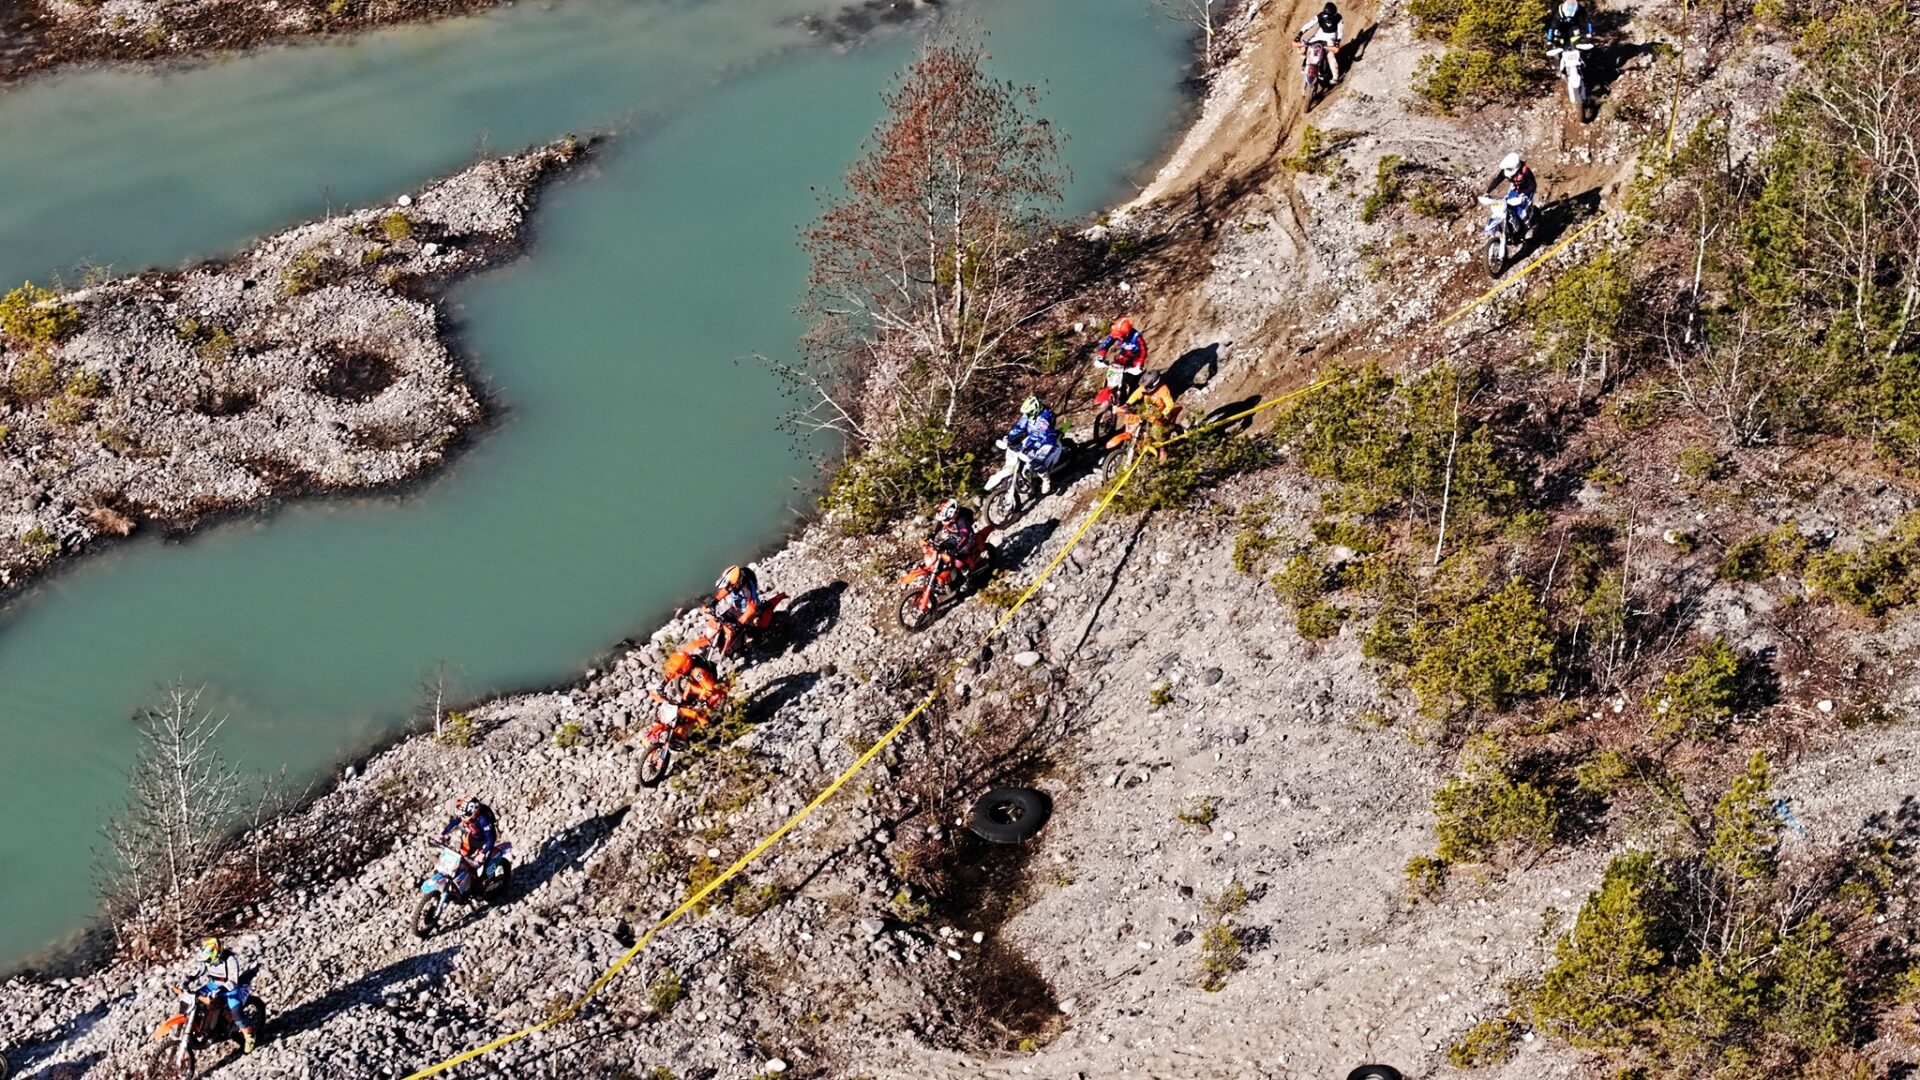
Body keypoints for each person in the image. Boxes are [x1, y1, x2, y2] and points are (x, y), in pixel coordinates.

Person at [651, 637, 728, 743]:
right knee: (683, 702)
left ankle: (710, 729)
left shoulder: (698, 672)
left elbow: (708, 688)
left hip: (703, 687)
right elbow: (673, 672)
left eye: (679, 672)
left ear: (685, 667)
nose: (677, 674)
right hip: (693, 684)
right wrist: (662, 685)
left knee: (697, 713)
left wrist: (702, 699)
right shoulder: (682, 658)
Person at [187, 937, 255, 1054]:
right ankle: (202, 1023)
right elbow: (198, 971)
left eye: (209, 960)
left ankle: (250, 1036)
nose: (207, 963)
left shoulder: (230, 960)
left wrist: (220, 990)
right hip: (214, 985)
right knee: (195, 997)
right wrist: (186, 979)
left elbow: (233, 981)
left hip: (230, 989)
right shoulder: (208, 961)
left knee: (236, 1014)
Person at [985, 396, 1064, 495]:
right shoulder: (1028, 415)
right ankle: (1030, 479)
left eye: (1029, 412)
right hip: (1032, 439)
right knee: (1018, 455)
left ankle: (1046, 481)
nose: (1027, 415)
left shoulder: (1046, 417)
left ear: (1035, 409)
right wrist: (1009, 437)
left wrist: (1032, 449)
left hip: (1046, 441)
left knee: (1036, 462)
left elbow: (1044, 434)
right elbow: (1019, 426)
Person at [438, 797, 499, 893]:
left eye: (464, 815)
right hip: (473, 838)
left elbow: (491, 839)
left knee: (478, 864)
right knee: (460, 858)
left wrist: (483, 853)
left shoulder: (483, 820)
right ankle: (464, 880)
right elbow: (454, 822)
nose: (462, 818)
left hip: (485, 843)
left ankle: (481, 883)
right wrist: (442, 834)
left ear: (473, 812)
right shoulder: (465, 814)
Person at [1124, 371, 1181, 458]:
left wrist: (1163, 413)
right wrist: (1128, 403)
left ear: (1154, 383)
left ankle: (1163, 455)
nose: (1144, 388)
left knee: (1159, 436)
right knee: (1138, 427)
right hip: (1148, 412)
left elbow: (1169, 403)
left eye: (1146, 386)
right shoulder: (1145, 387)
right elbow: (1136, 394)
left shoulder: (1163, 389)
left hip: (1161, 415)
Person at [708, 564, 762, 654]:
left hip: (748, 610)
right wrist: (715, 600)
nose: (728, 588)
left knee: (747, 631)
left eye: (730, 586)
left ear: (736, 583)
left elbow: (752, 607)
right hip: (737, 607)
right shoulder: (735, 583)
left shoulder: (746, 587)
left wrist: (740, 621)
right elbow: (726, 589)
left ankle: (752, 645)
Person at [1485, 152, 1538, 238]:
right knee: (1507, 206)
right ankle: (1507, 227)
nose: (1507, 172)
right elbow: (1498, 179)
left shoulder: (1525, 171)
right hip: (1515, 189)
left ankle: (1528, 228)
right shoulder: (1506, 171)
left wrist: (1524, 194)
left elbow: (1533, 185)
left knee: (1521, 212)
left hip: (1527, 191)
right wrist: (1488, 191)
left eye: (1509, 169)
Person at [927, 499, 984, 574]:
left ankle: (966, 575)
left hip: (967, 540)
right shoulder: (949, 517)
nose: (944, 520)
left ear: (953, 515)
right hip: (955, 536)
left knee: (958, 562)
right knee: (939, 547)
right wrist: (934, 533)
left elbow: (965, 536)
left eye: (946, 519)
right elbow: (941, 522)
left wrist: (956, 548)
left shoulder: (962, 521)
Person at [1093, 318, 1148, 388]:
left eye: (1120, 336)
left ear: (1126, 333)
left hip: (1136, 357)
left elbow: (1143, 350)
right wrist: (1101, 355)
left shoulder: (1136, 337)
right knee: (1114, 369)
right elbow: (1106, 343)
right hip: (1124, 355)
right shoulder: (1116, 333)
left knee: (1133, 378)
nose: (1118, 338)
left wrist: (1139, 364)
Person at [1298, 3, 1345, 82]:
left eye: (1329, 17)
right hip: (1319, 35)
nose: (1327, 19)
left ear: (1334, 15)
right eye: (1326, 16)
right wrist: (1299, 35)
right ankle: (1304, 63)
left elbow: (1340, 31)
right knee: (1307, 45)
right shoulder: (1320, 16)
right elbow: (1309, 24)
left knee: (1330, 56)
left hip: (1331, 37)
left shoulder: (1339, 18)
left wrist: (1337, 42)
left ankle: (1335, 77)